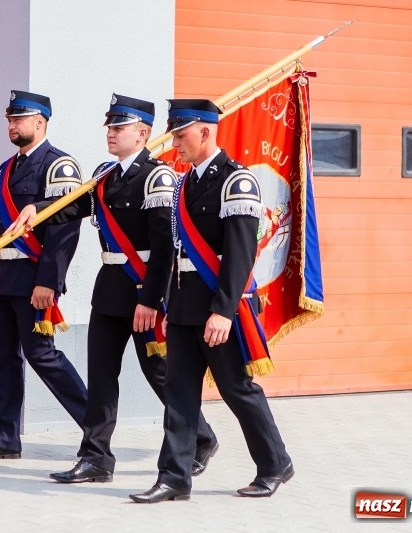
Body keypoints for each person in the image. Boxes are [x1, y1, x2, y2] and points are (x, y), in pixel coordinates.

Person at [7, 94, 218, 483]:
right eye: (110, 127)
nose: (111, 133)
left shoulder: (158, 178)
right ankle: (96, 458)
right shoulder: (106, 174)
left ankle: (201, 438)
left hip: (142, 291)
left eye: (119, 127)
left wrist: (152, 300)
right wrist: (39, 207)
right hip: (108, 291)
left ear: (142, 134)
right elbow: (75, 206)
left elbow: (164, 248)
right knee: (102, 377)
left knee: (161, 374)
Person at [129, 99, 293, 503]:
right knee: (180, 392)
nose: (175, 144)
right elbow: (176, 253)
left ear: (205, 132)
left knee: (237, 389)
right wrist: (168, 307)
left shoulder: (236, 181)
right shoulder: (184, 184)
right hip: (185, 306)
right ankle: (174, 478)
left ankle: (275, 464)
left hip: (223, 308)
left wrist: (222, 311)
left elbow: (240, 255)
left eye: (180, 135)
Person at [0, 90, 88, 461]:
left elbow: (66, 232)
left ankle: (96, 426)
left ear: (40, 122)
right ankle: (3, 438)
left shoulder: (58, 166)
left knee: (42, 356)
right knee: (1, 358)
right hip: (2, 275)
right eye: (9, 120)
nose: (12, 125)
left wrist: (49, 281)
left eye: (19, 119)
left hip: (33, 279)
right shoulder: (6, 168)